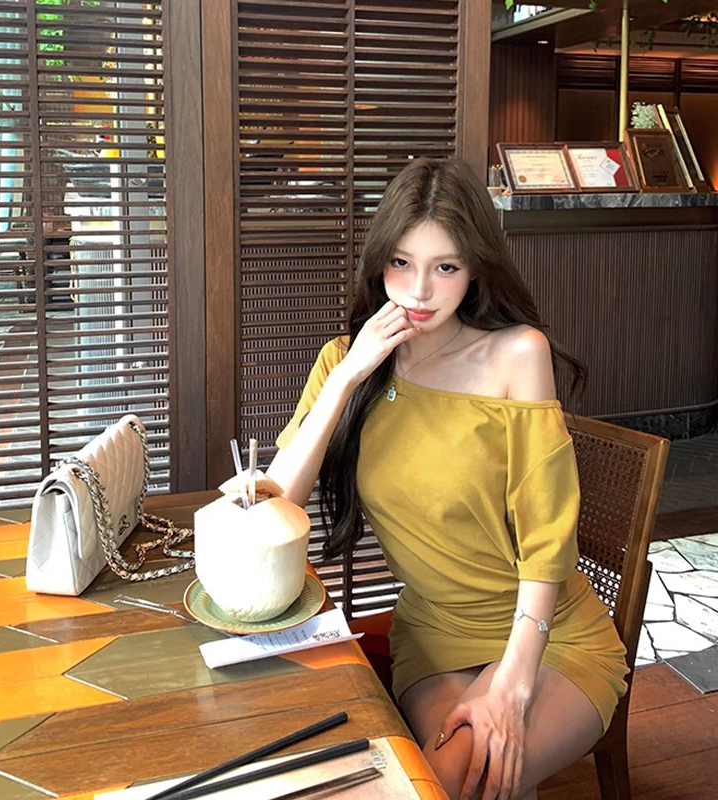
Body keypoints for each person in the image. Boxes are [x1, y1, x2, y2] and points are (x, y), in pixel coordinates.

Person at [263, 157, 629, 800]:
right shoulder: (344, 362)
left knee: (474, 779)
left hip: (545, 632)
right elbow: (275, 512)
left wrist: (513, 681)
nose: (419, 292)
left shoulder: (517, 354)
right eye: (401, 263)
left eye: (446, 268)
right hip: (435, 631)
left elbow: (547, 535)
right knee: (457, 779)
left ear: (476, 268)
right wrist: (348, 377)